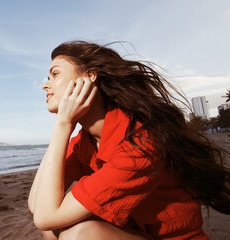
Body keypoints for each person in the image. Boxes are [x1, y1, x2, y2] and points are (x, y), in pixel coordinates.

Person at [28, 41, 230, 240]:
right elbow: (37, 206)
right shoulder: (85, 140)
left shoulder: (140, 143)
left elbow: (45, 217)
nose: (45, 85)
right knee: (55, 229)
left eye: (55, 74)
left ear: (89, 76)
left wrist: (63, 123)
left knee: (78, 235)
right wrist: (63, 126)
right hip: (133, 233)